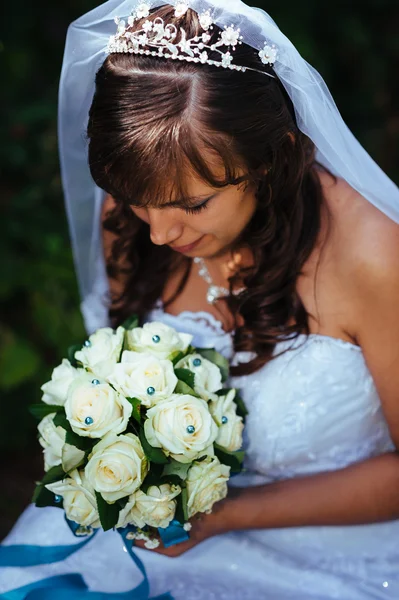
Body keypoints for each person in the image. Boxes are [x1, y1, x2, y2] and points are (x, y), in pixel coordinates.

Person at [1, 1, 399, 598]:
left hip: (335, 564)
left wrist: (225, 515)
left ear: (269, 161)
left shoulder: (372, 256)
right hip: (154, 546)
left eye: (193, 206)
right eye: (138, 199)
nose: (160, 234)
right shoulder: (130, 220)